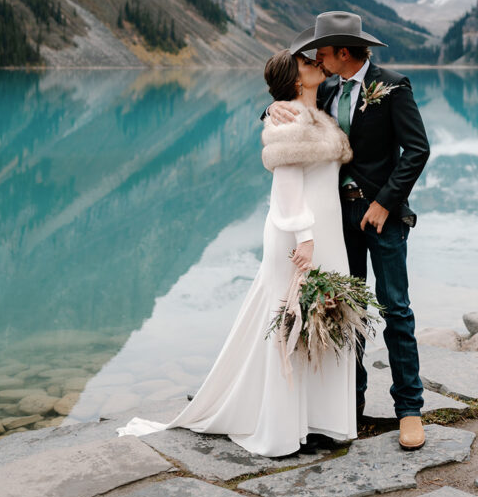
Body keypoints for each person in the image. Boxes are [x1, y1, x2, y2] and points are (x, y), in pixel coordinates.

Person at [117, 48, 357, 457]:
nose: (317, 62)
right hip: (297, 232)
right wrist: (305, 235)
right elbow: (286, 187)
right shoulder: (289, 119)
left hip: (326, 231)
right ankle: (282, 427)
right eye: (306, 63)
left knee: (322, 315)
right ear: (295, 79)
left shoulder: (316, 112)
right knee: (288, 319)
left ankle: (316, 421)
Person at [268, 10, 430, 451]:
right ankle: (349, 406)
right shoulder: (328, 90)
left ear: (342, 52)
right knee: (347, 310)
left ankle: (409, 410)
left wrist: (383, 203)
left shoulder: (393, 85)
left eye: (322, 51)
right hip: (339, 222)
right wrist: (270, 106)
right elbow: (291, 110)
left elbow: (417, 150)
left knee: (396, 308)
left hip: (385, 217)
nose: (316, 59)